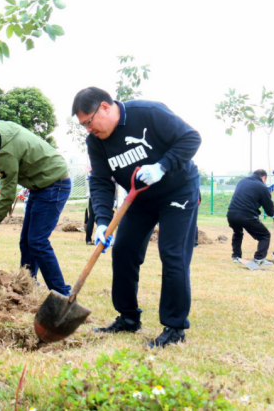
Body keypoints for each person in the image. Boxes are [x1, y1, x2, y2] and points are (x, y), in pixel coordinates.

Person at [72, 87, 201, 348]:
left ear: (105, 107)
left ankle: (175, 327)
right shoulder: (95, 141)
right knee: (123, 251)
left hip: (178, 190)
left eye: (89, 122)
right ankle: (128, 317)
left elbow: (191, 138)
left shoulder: (149, 113)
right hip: (138, 197)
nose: (88, 129)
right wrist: (101, 222)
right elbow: (100, 181)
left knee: (172, 253)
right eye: (83, 125)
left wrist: (162, 166)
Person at [0, 112, 72, 296]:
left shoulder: (4, 150)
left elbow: (6, 194)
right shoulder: (2, 129)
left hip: (54, 183)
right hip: (41, 184)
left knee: (37, 241)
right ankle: (27, 284)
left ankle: (62, 294)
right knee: (27, 241)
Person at [227, 170, 274, 264]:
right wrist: (272, 213)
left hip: (231, 213)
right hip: (246, 215)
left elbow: (249, 194)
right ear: (264, 177)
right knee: (265, 236)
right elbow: (268, 207)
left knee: (237, 233)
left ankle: (236, 257)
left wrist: (265, 191)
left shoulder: (242, 181)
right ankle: (259, 258)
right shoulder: (262, 186)